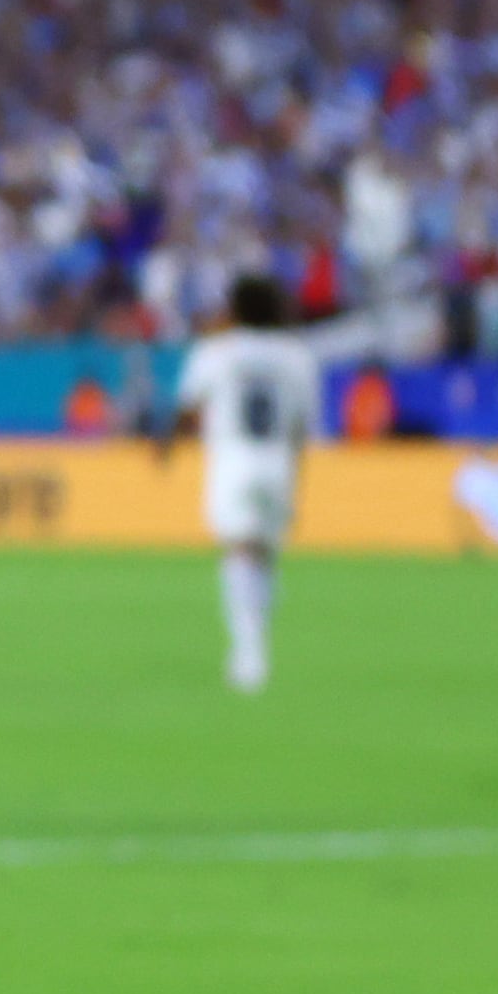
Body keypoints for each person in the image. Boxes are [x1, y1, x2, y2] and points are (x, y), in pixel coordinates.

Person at [167, 270, 324, 694]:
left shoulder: (216, 352)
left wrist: (165, 444)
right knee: (266, 551)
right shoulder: (297, 356)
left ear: (234, 308)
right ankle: (256, 639)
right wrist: (297, 474)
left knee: (238, 548)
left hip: (233, 455)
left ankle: (248, 651)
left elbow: (186, 406)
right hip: (277, 457)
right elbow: (302, 426)